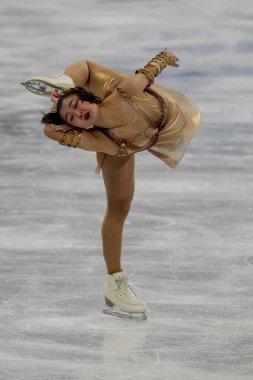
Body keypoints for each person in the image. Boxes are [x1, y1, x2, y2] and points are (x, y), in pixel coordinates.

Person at [21, 48, 201, 321]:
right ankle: (114, 281)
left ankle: (65, 79)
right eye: (71, 118)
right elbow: (49, 130)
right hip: (119, 145)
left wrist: (166, 57)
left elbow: (150, 69)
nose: (77, 113)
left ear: (87, 96)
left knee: (85, 68)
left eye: (77, 105)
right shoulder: (100, 138)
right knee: (118, 209)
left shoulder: (125, 91)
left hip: (149, 118)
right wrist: (60, 106)